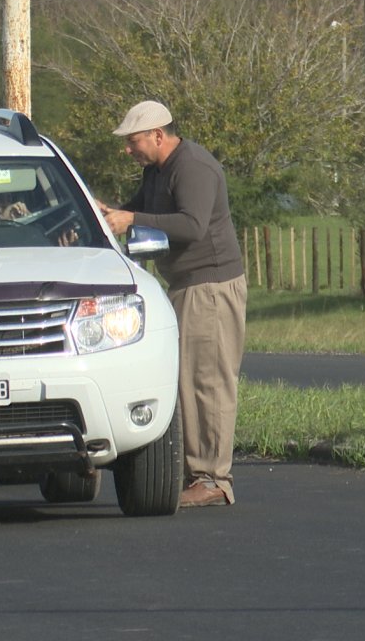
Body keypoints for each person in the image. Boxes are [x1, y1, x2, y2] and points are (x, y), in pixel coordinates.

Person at [98, 100, 247, 507]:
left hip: (211, 287)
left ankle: (214, 479)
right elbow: (136, 210)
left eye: (133, 141)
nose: (129, 149)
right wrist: (107, 214)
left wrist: (132, 220)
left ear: (158, 135)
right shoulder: (157, 171)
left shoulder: (193, 166)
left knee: (208, 383)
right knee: (184, 381)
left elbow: (192, 225)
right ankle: (193, 471)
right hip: (184, 286)